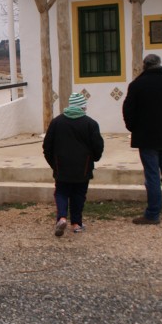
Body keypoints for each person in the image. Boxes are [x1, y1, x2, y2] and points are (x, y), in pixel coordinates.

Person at [122, 54, 162, 225]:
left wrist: (133, 128)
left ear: (145, 66)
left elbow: (128, 110)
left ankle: (152, 213)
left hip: (146, 137)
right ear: (159, 66)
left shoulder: (137, 86)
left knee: (152, 175)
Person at [42, 93, 104, 236]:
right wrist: (93, 159)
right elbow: (98, 146)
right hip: (83, 167)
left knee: (62, 192)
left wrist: (53, 163)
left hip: (61, 165)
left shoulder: (56, 122)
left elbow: (47, 146)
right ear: (83, 107)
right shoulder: (91, 123)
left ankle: (62, 217)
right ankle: (76, 223)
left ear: (70, 105)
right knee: (79, 194)